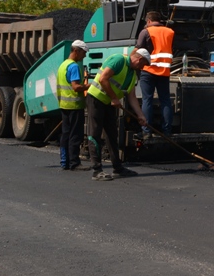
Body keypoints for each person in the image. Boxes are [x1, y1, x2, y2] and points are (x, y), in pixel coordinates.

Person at [85, 48, 149, 181]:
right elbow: (103, 79)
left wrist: (140, 115)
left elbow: (131, 97)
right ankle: (97, 170)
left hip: (109, 101)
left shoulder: (132, 74)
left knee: (112, 134)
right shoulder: (119, 60)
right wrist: (114, 98)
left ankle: (117, 168)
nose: (142, 68)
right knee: (95, 133)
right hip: (96, 98)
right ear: (139, 59)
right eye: (143, 65)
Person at [135, 12, 175, 138]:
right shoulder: (170, 32)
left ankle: (146, 131)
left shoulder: (146, 32)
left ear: (148, 21)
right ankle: (167, 131)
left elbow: (138, 50)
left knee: (147, 100)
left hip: (148, 70)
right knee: (165, 101)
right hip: (164, 71)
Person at [57, 40, 90, 170]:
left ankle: (64, 161)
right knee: (75, 135)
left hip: (64, 105)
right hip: (74, 105)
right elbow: (76, 87)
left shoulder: (63, 65)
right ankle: (74, 163)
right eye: (83, 53)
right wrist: (89, 85)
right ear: (76, 51)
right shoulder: (74, 66)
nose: (85, 56)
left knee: (66, 134)